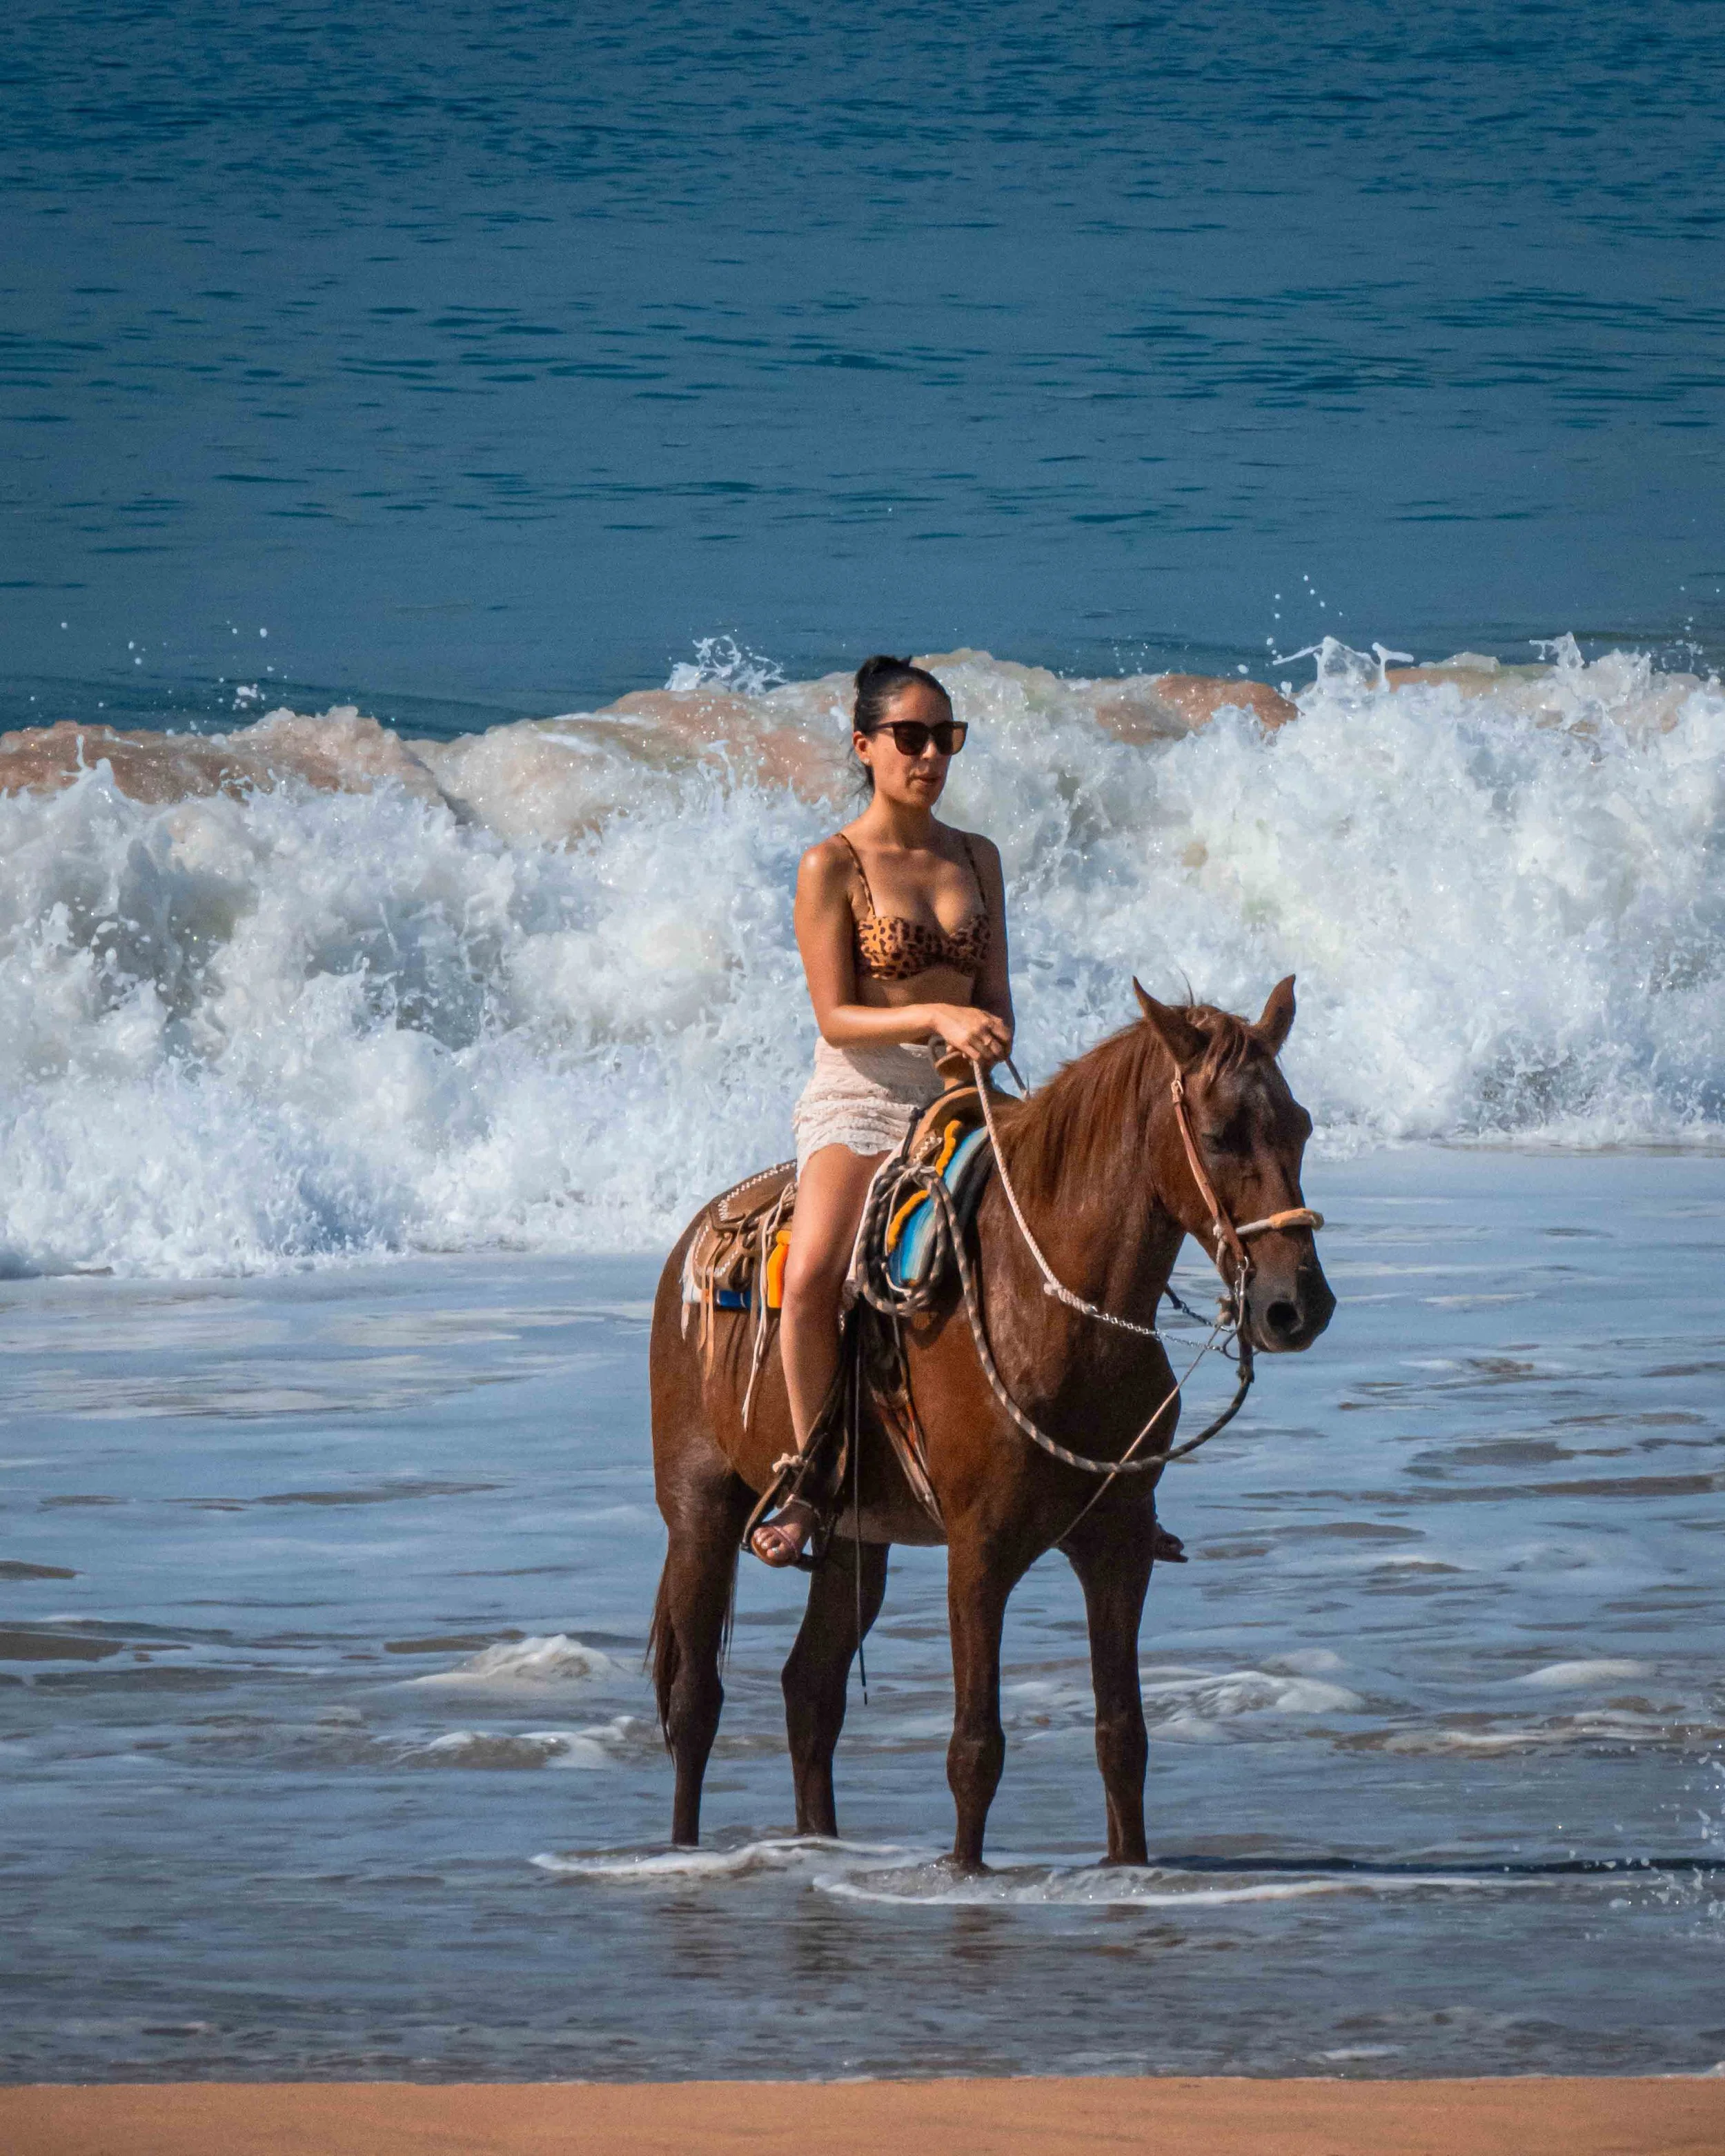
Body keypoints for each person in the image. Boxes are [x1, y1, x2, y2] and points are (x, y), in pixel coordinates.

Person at [749, 655, 1014, 1566]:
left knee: (1077, 1229)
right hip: (860, 1094)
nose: (931, 754)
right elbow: (835, 1015)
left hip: (959, 1096)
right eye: (911, 736)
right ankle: (811, 1476)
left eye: (947, 737)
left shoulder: (979, 855)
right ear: (864, 746)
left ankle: (1101, 1471)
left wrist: (983, 1035)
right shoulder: (832, 863)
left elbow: (999, 996)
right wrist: (936, 1012)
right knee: (817, 1270)